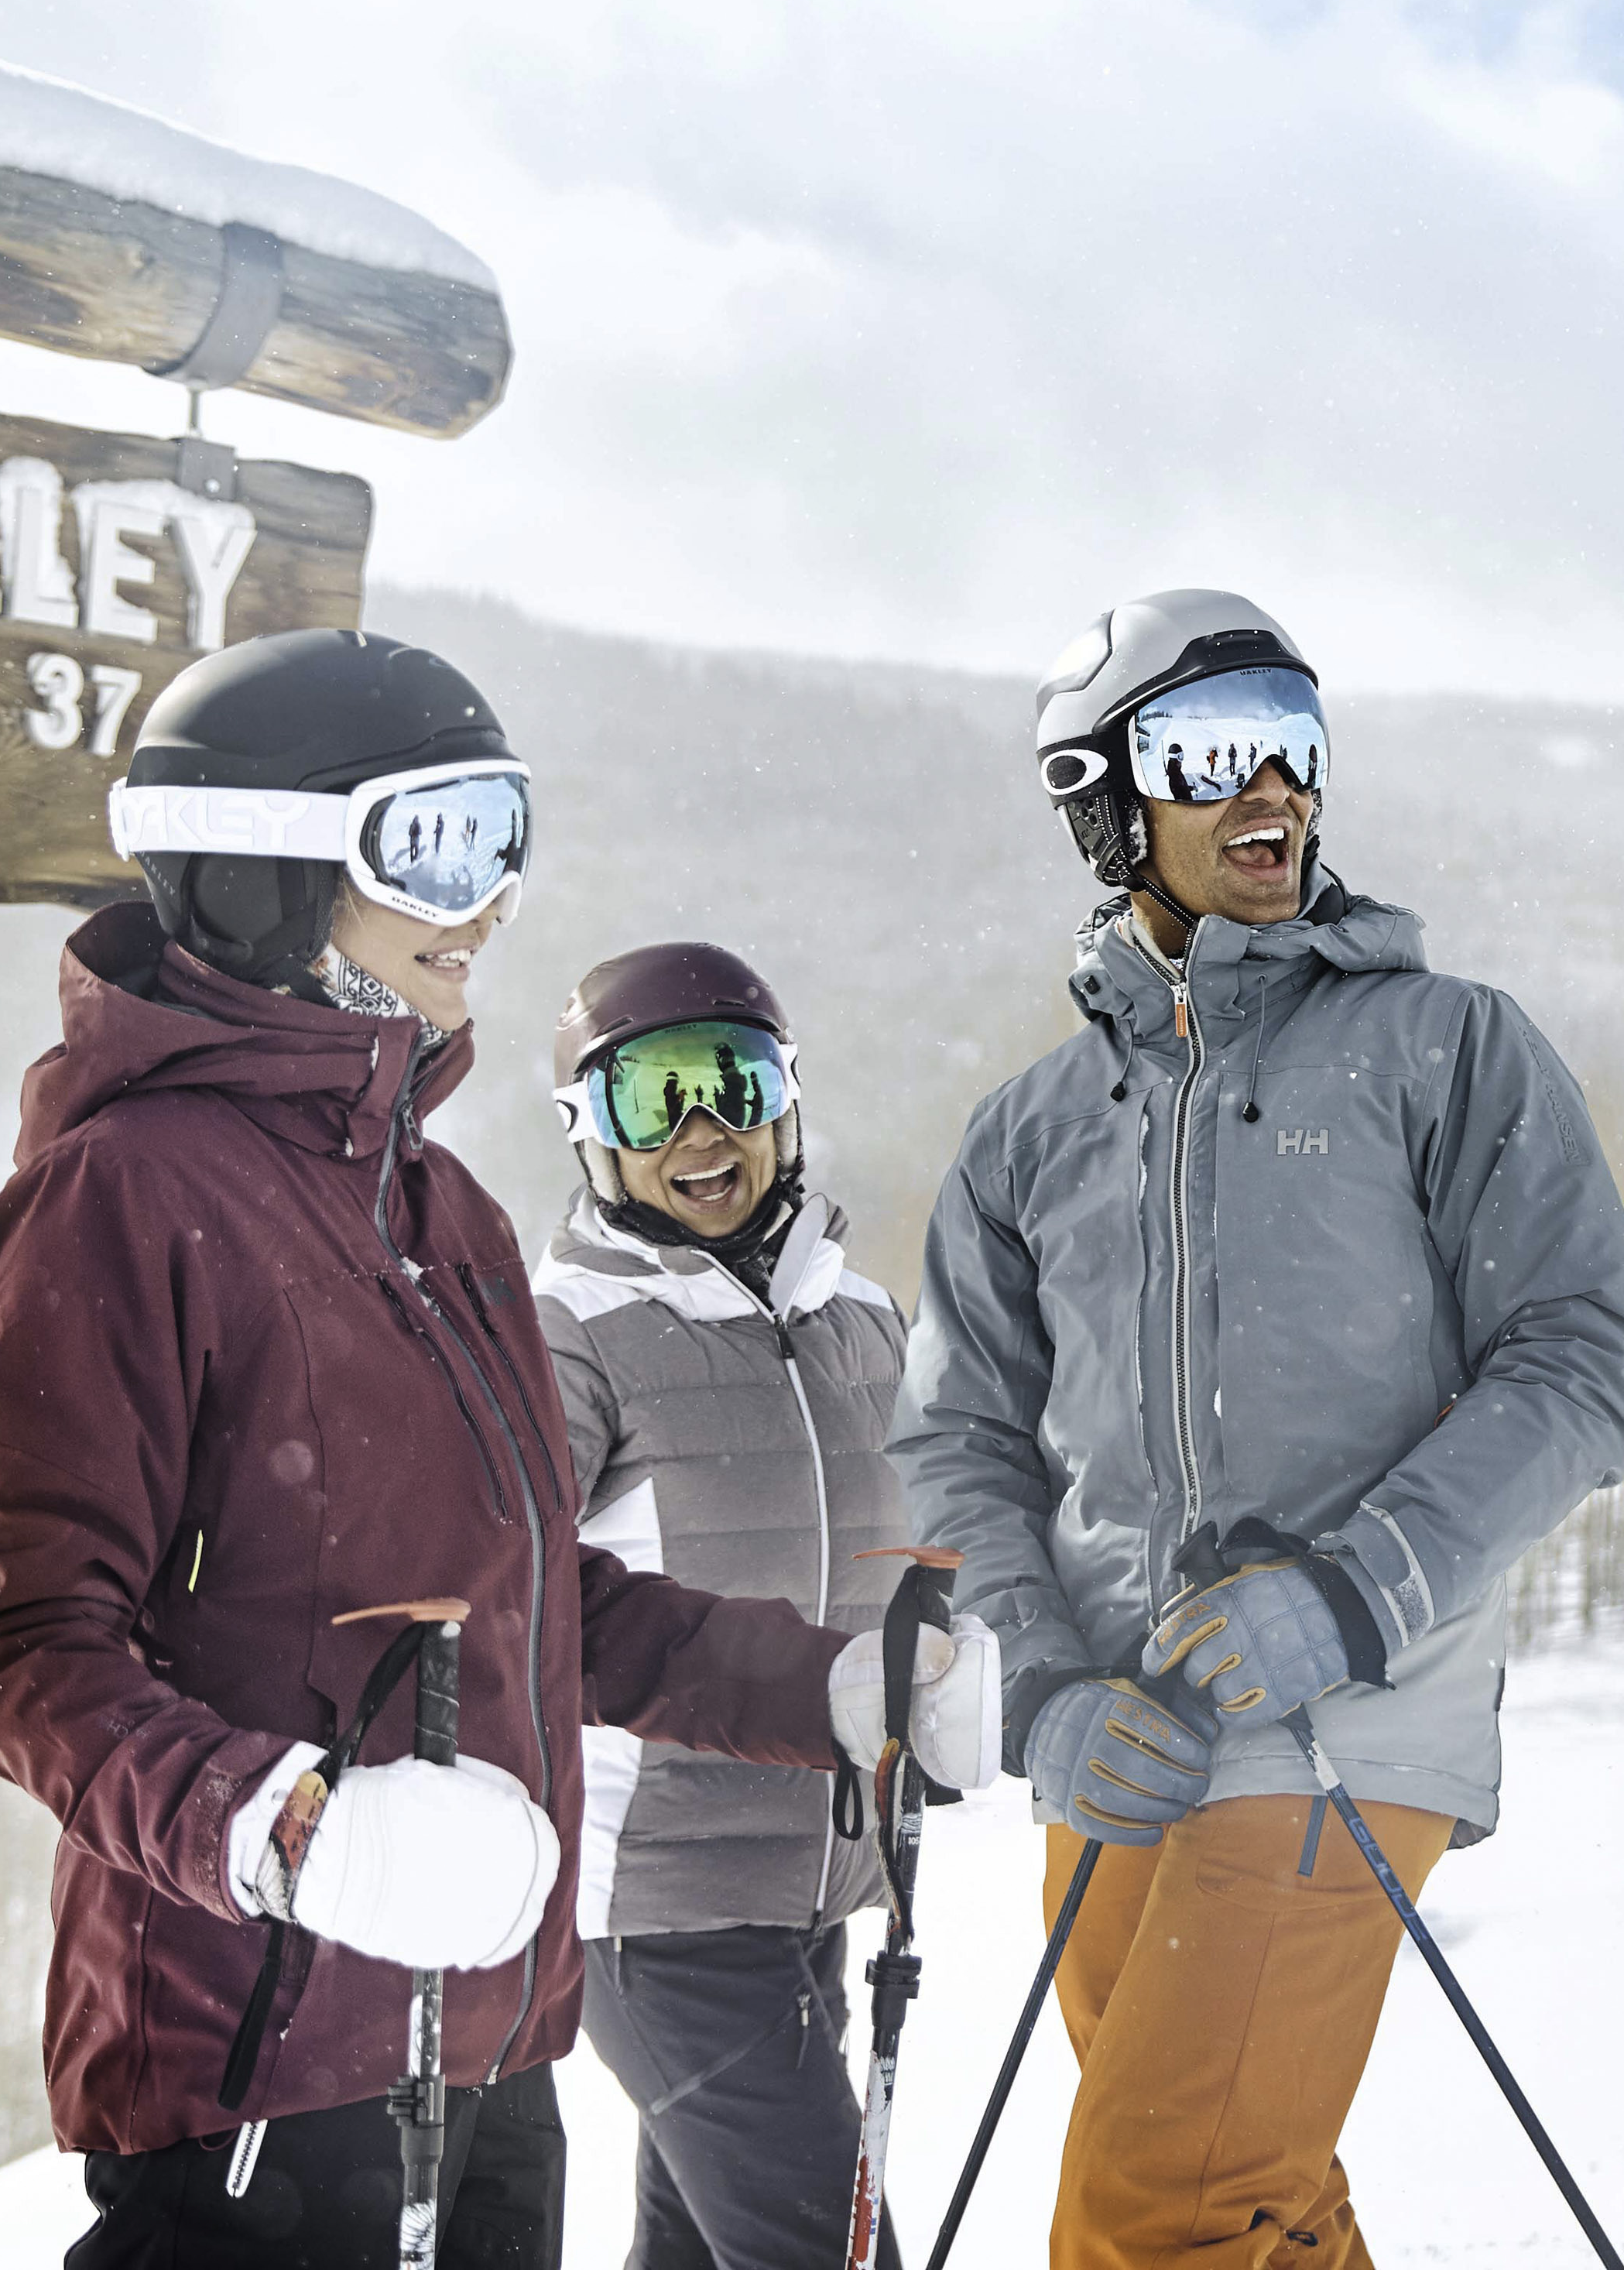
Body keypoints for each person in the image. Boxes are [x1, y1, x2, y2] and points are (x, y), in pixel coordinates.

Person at [0, 629, 992, 2270]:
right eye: (433, 845)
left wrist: (834, 1693)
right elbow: (21, 1651)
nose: (490, 899)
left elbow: (541, 1595)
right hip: (256, 2069)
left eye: (505, 835)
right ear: (273, 871)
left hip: (491, 2039)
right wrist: (297, 1833)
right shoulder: (123, 1195)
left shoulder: (439, 1208)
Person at [891, 588, 1624, 2270]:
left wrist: (1348, 1596)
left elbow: (1583, 1357)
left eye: (1295, 748)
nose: (1273, 792)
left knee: (1153, 2210)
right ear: (1105, 800)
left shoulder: (1441, 1048)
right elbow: (954, 1444)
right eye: (1210, 751)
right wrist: (1035, 1694)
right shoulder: (1027, 1132)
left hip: (1347, 1723)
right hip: (1119, 1749)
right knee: (1256, 2208)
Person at [533, 941, 976, 2270]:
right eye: (650, 1096)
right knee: (828, 2254)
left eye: (733, 1079)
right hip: (659, 1904)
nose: (702, 1128)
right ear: (591, 1137)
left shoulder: (859, 1317)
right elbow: (519, 1597)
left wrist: (957, 1657)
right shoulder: (567, 1330)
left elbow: (924, 1539)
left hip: (817, 1880)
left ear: (787, 1099)